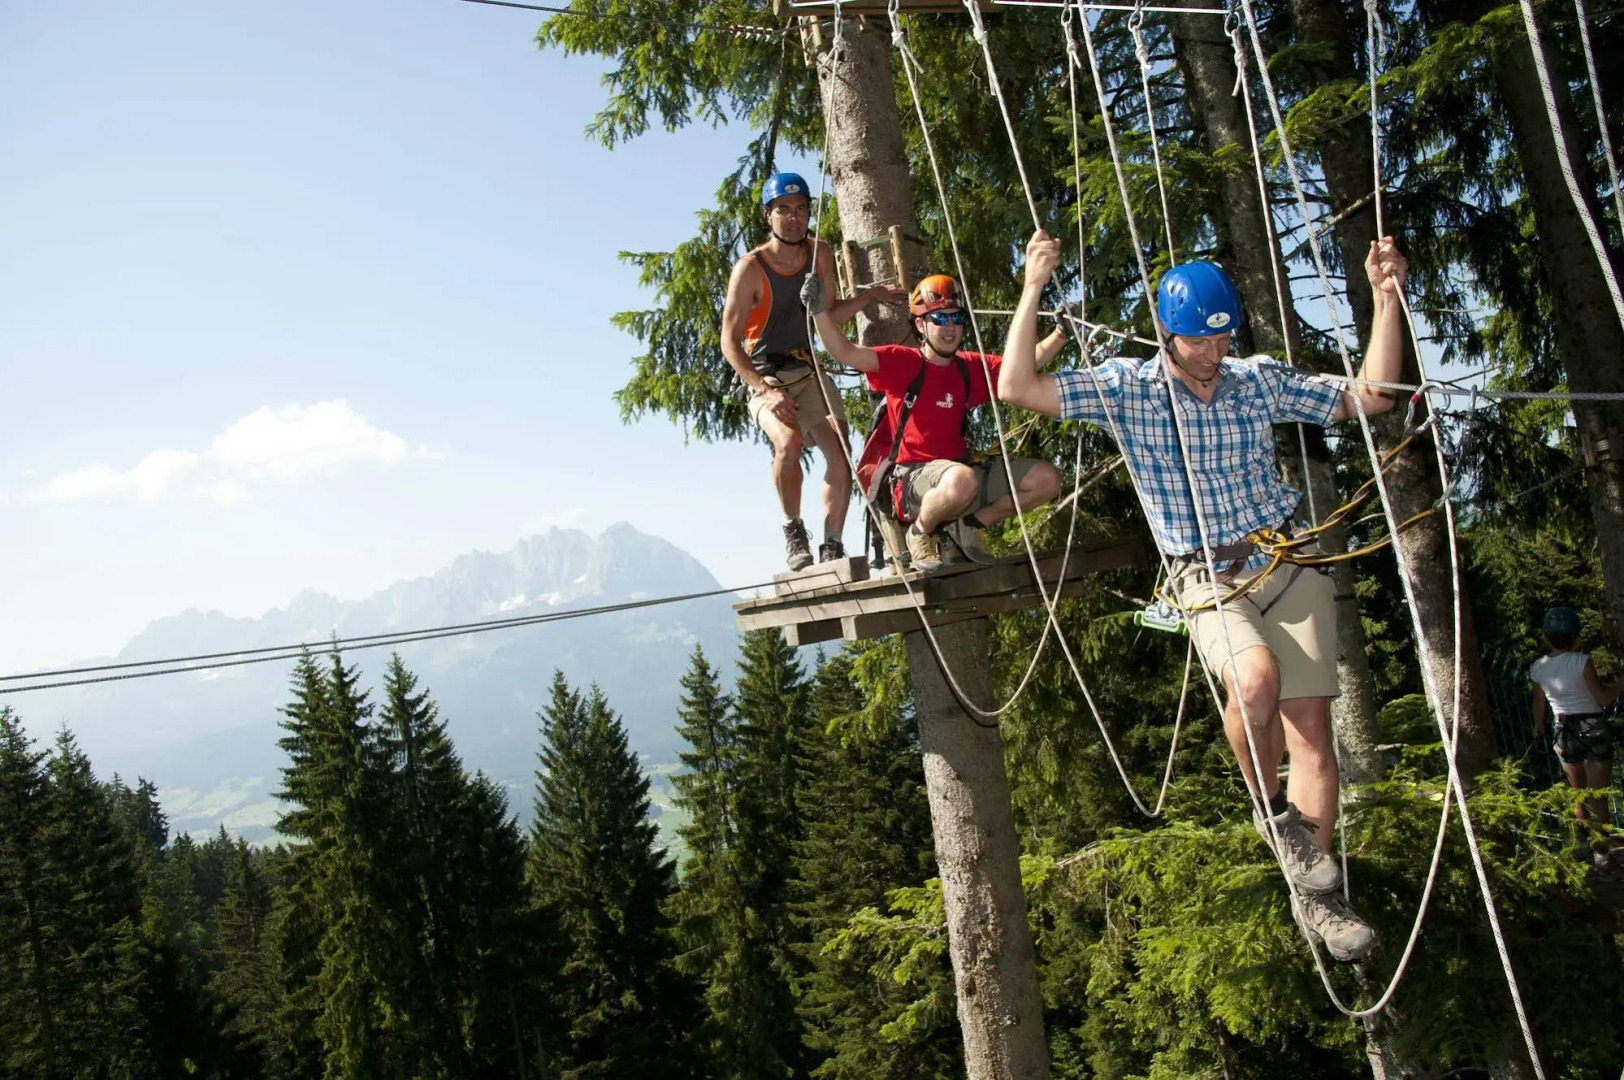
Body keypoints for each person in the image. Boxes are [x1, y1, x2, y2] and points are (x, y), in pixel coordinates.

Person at [997, 229, 1411, 962]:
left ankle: (1320, 899)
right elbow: (1017, 387)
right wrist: (1033, 287)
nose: (1213, 355)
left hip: (1288, 555)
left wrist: (1386, 300)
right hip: (1205, 572)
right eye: (1198, 342)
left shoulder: (1255, 379)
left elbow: (1372, 395)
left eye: (1222, 340)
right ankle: (1273, 813)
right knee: (1254, 679)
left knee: (1313, 728)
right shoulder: (1128, 389)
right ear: (1167, 331)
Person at [806, 271, 1064, 573]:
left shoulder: (969, 367)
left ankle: (972, 523)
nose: (950, 327)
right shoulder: (903, 363)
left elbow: (1023, 364)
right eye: (939, 319)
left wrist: (1061, 333)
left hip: (959, 477)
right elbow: (845, 352)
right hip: (911, 482)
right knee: (961, 480)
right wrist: (820, 312)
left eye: (956, 318)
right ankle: (920, 533)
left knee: (1047, 480)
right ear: (920, 324)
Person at [720, 172, 906, 571]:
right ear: (768, 215)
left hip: (807, 367)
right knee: (788, 443)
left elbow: (827, 313)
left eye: (801, 210)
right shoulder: (750, 269)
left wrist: (869, 298)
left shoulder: (819, 253)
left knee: (839, 450)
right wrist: (764, 391)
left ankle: (833, 545)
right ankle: (793, 530)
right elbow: (729, 343)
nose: (794, 218)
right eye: (784, 210)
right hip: (765, 374)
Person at [1530, 606, 1620, 828]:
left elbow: (1539, 701)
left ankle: (1581, 847)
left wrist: (1538, 725)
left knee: (1578, 795)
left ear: (1546, 637)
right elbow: (1604, 698)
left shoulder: (1538, 668)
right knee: (1597, 797)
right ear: (1576, 635)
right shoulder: (1582, 661)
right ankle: (1602, 855)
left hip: (1563, 730)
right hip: (1593, 727)